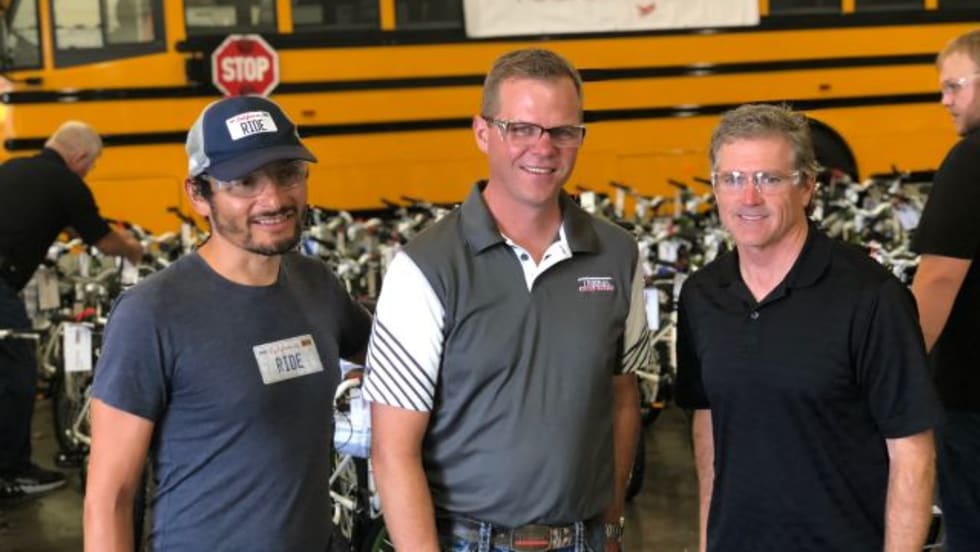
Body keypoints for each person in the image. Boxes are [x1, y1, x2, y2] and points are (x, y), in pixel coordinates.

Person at [362, 48, 647, 552]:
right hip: (465, 541)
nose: (544, 147)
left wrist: (611, 529)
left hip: (583, 538)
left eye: (562, 131)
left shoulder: (619, 255)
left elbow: (622, 399)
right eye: (521, 129)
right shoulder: (424, 268)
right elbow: (393, 452)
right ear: (482, 132)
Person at [83, 95, 372, 551]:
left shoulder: (316, 284)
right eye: (244, 182)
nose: (273, 199)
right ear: (199, 195)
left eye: (287, 174)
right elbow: (110, 498)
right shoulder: (151, 313)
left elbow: (393, 358)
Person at [675, 103, 939, 552]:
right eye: (732, 179)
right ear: (715, 188)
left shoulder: (871, 297)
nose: (748, 197)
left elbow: (912, 451)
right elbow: (710, 426)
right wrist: (707, 541)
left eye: (769, 179)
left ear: (807, 187)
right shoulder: (702, 295)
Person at [0, 121, 142, 501]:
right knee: (17, 373)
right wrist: (134, 250)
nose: (88, 171)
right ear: (79, 156)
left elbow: (71, 227)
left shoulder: (14, 168)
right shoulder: (66, 183)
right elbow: (102, 239)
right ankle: (12, 472)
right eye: (90, 165)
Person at [910, 29, 980, 551]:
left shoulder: (970, 161)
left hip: (972, 393)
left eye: (954, 85)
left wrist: (899, 370)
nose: (945, 100)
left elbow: (939, 276)